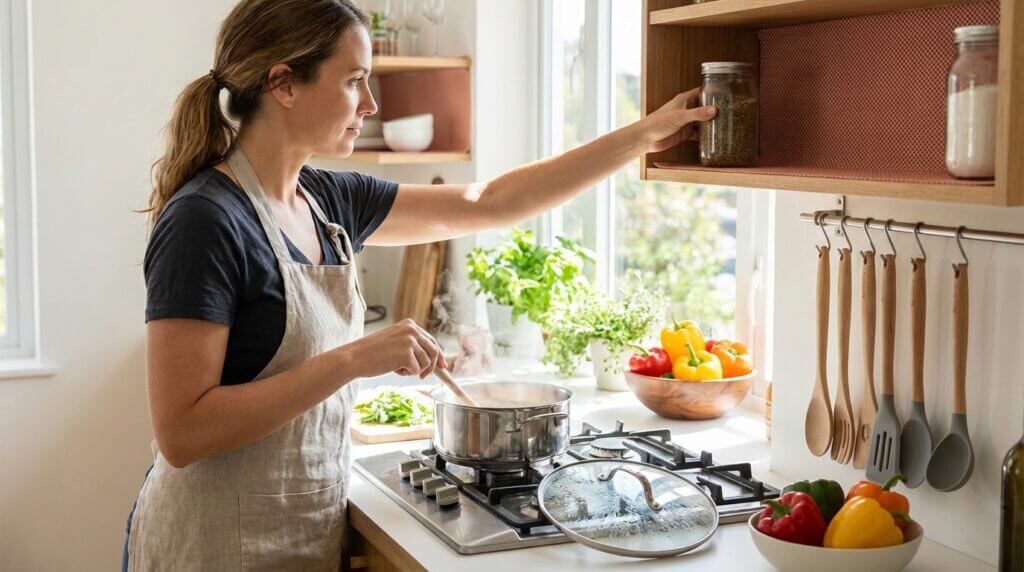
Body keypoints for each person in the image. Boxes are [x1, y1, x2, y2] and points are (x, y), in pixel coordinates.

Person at [123, 0, 717, 569]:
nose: (371, 104)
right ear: (284, 84)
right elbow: (183, 431)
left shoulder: (327, 200)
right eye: (354, 80)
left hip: (301, 530)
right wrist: (354, 358)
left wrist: (641, 136)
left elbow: (490, 202)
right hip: (209, 548)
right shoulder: (204, 220)